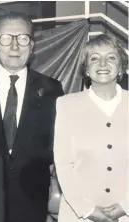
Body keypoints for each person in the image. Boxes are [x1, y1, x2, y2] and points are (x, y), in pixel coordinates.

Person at [0, 13, 64, 222]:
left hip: (31, 200)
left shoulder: (52, 89)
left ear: (32, 46)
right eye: (6, 38)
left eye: (22, 38)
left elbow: (58, 145)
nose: (14, 47)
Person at [54, 34, 128, 222]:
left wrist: (125, 206)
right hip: (79, 215)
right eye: (94, 58)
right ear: (86, 69)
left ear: (121, 67)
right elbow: (64, 165)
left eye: (111, 57)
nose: (102, 63)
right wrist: (87, 210)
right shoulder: (66, 105)